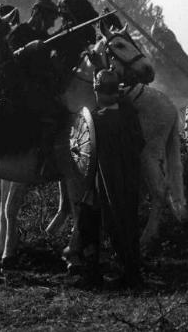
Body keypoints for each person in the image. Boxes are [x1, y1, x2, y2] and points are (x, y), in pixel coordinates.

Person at [75, 69, 145, 288]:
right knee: (127, 227)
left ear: (97, 91)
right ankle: (128, 273)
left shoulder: (97, 120)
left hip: (102, 187)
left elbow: (84, 149)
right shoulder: (130, 115)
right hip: (128, 184)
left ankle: (101, 274)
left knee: (96, 225)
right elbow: (140, 145)